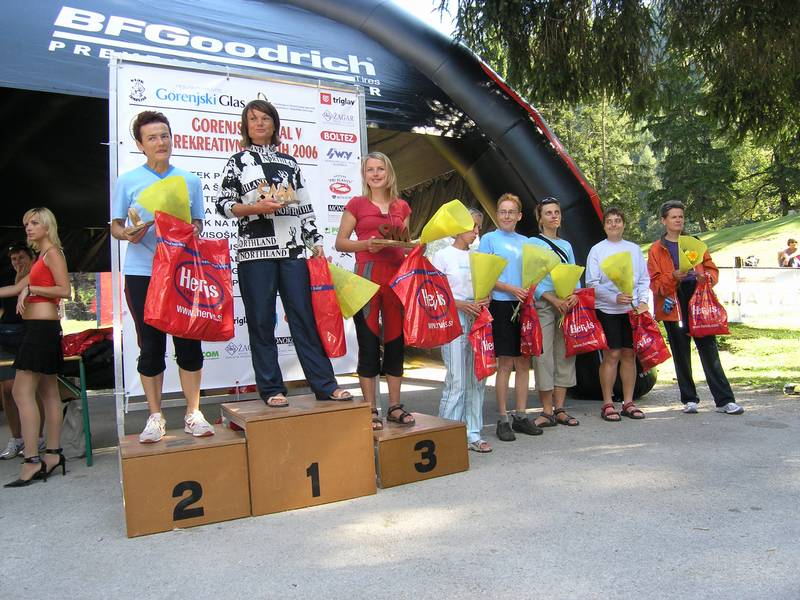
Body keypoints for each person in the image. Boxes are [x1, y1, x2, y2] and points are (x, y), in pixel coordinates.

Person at [217, 99, 351, 408]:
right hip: (254, 253)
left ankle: (325, 385)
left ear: (275, 124)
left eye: (265, 118)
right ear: (245, 126)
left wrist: (315, 241)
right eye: (253, 119)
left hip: (293, 250)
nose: (259, 123)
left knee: (304, 317)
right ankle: (271, 388)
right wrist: (256, 207)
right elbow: (223, 205)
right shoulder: (238, 161)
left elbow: (304, 205)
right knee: (261, 321)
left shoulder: (289, 162)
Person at [111, 110, 215, 443]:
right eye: (152, 137)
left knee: (189, 341)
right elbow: (115, 226)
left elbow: (198, 222)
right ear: (140, 145)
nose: (160, 142)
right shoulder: (127, 180)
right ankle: (155, 416)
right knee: (151, 344)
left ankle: (193, 413)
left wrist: (191, 228)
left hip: (182, 270)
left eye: (165, 135)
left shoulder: (189, 180)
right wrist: (128, 233)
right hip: (143, 272)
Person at [335, 152, 412, 430]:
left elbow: (404, 242)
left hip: (395, 279)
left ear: (389, 172)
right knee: (368, 342)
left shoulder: (402, 206)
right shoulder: (356, 204)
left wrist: (415, 246)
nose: (376, 174)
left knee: (395, 342)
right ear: (364, 175)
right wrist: (366, 245)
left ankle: (395, 406)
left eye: (381, 169)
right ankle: (370, 409)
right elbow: (340, 243)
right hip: (366, 278)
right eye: (370, 170)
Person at [647, 200, 744, 415]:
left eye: (681, 216)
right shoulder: (656, 249)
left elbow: (711, 269)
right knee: (681, 352)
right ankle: (689, 399)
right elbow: (655, 284)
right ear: (664, 221)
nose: (678, 220)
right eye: (673, 217)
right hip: (673, 301)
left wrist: (705, 277)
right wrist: (673, 277)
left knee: (709, 350)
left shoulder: (695, 242)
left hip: (698, 299)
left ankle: (725, 400)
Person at [0, 208, 70, 487]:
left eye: (34, 223)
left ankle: (31, 459)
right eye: (26, 223)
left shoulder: (53, 254)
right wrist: (26, 287)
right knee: (48, 392)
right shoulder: (41, 258)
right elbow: (15, 289)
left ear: (47, 226)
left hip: (42, 330)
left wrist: (33, 290)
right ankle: (52, 454)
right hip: (39, 329)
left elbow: (64, 290)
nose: (28, 227)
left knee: (21, 391)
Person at [478, 193, 541, 441]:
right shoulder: (489, 239)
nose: (506, 216)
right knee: (504, 363)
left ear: (519, 216)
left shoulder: (526, 242)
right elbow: (484, 274)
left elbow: (532, 273)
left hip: (523, 306)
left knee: (524, 362)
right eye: (502, 212)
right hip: (502, 306)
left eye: (511, 212)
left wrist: (527, 290)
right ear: (497, 214)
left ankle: (521, 415)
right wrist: (510, 289)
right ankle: (503, 418)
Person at [430, 209, 492, 452]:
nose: (476, 232)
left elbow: (486, 287)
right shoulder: (441, 256)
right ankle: (447, 434)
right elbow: (434, 293)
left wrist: (485, 298)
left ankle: (473, 433)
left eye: (478, 227)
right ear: (457, 227)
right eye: (472, 226)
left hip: (478, 320)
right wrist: (460, 304)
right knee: (457, 379)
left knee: (477, 378)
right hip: (453, 320)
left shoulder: (477, 256)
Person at [586, 207, 650, 422]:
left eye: (617, 220)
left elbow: (643, 279)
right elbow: (592, 283)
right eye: (609, 221)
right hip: (608, 310)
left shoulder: (634, 249)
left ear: (623, 224)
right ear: (604, 226)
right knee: (611, 355)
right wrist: (613, 297)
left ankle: (628, 402)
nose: (614, 224)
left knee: (629, 355)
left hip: (631, 310)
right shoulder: (597, 250)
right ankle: (607, 402)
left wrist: (643, 301)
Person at [528, 196, 581, 427]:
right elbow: (531, 278)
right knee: (543, 356)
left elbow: (573, 272)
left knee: (565, 355)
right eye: (548, 213)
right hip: (544, 302)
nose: (553, 216)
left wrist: (575, 294)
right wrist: (551, 298)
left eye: (556, 212)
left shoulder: (566, 245)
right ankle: (546, 410)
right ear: (540, 218)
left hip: (565, 302)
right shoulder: (533, 243)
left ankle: (560, 408)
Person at [0, 242, 45, 459]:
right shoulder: (6, 278)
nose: (17, 263)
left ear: (31, 258)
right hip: (7, 337)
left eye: (21, 258)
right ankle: (17, 438)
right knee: (8, 390)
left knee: (33, 389)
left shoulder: (37, 274)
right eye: (13, 259)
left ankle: (37, 438)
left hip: (30, 335)